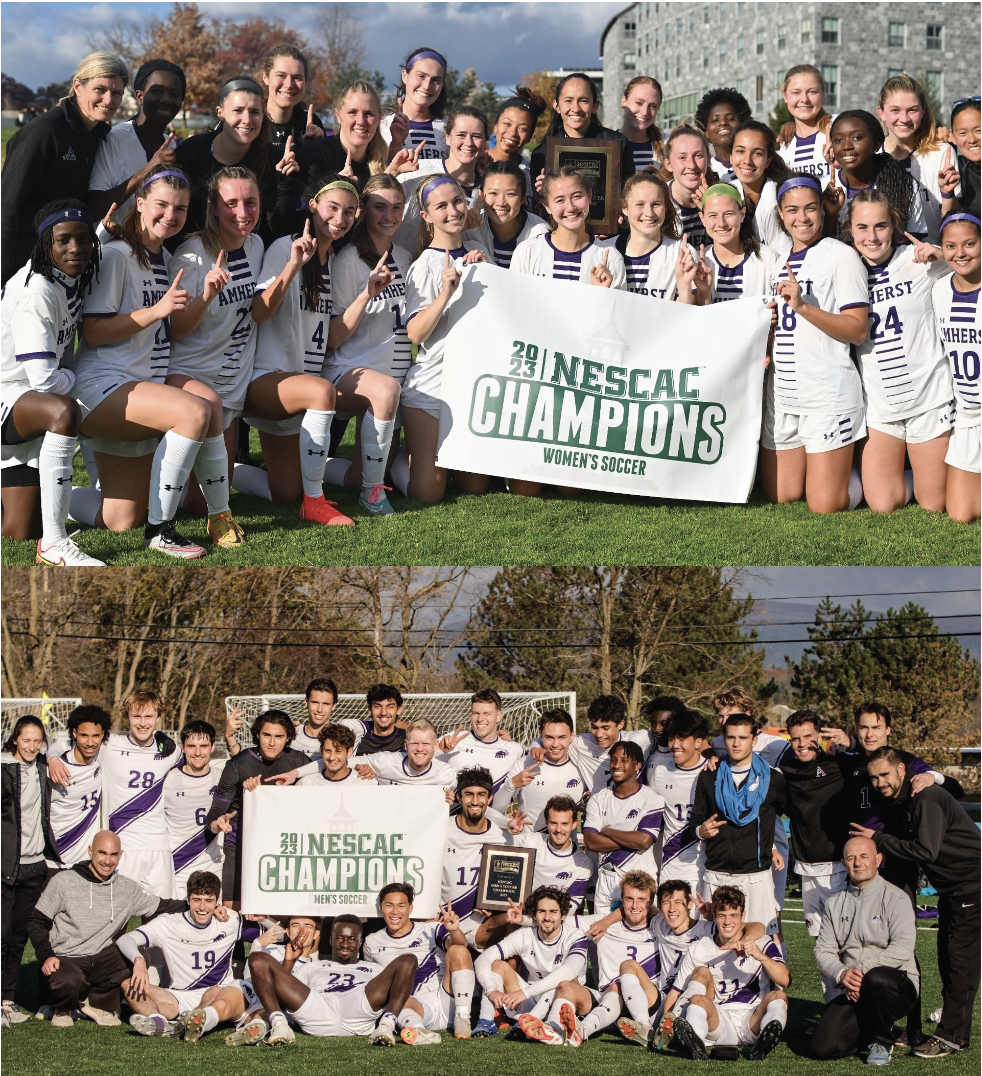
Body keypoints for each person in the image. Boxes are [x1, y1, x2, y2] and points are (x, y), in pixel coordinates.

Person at [68, 166, 211, 558]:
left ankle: (32, 496)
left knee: (119, 517)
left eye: (180, 208)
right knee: (193, 412)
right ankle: (161, 531)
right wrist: (156, 310)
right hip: (101, 387)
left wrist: (202, 298)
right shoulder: (117, 254)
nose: (170, 215)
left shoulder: (162, 256)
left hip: (137, 387)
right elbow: (93, 332)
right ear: (141, 203)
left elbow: (169, 330)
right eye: (161, 205)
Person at [232, 171, 357, 524]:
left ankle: (229, 471)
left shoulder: (333, 262)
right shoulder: (284, 247)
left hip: (296, 388)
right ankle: (316, 502)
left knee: (284, 493)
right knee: (322, 391)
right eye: (332, 208)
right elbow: (260, 311)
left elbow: (331, 337)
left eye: (349, 212)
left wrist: (367, 296)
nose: (340, 218)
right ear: (313, 205)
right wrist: (292, 265)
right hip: (264, 381)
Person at [855, 747, 981, 1057]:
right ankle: (956, 1035)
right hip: (955, 890)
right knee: (951, 962)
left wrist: (878, 839)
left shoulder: (925, 798)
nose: (879, 782)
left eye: (885, 774)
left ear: (901, 770)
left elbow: (927, 852)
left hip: (971, 887)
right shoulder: (909, 798)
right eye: (873, 777)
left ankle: (949, 1037)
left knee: (959, 965)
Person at [167, 165, 268, 542]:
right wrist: (207, 296)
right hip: (189, 377)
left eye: (250, 202)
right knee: (191, 503)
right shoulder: (192, 256)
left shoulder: (257, 246)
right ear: (212, 207)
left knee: (198, 499)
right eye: (231, 203)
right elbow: (174, 331)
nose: (242, 212)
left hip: (232, 385)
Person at [0, 200, 104, 564]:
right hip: (11, 397)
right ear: (47, 245)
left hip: (25, 402)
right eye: (64, 241)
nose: (75, 248)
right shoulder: (38, 291)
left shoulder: (70, 275)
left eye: (84, 239)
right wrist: (77, 375)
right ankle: (54, 543)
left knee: (17, 529)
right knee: (64, 408)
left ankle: (48, 504)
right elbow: (45, 380)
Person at [763, 173, 869, 513]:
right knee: (782, 494)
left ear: (823, 208)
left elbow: (857, 330)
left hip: (826, 394)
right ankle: (827, 469)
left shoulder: (841, 256)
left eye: (810, 208)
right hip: (784, 394)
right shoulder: (778, 262)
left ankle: (867, 478)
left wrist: (804, 307)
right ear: (780, 213)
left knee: (824, 503)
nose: (802, 218)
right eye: (792, 210)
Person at [848, 190, 954, 513]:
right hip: (881, 407)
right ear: (850, 230)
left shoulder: (916, 260)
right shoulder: (845, 269)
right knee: (883, 503)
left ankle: (931, 477)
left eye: (880, 226)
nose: (872, 236)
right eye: (862, 228)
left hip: (928, 398)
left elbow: (971, 268)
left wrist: (944, 255)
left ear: (893, 226)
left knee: (934, 502)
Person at [389, 175, 489, 503]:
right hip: (432, 386)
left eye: (457, 201)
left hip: (472, 385)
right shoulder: (424, 265)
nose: (452, 211)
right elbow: (416, 333)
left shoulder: (478, 250)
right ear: (426, 215)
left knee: (475, 485)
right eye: (441, 206)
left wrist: (489, 272)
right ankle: (393, 463)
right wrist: (445, 293)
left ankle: (427, 454)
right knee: (428, 493)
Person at [26, 829, 190, 1027]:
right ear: (90, 851)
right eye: (102, 853)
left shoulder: (127, 888)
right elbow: (36, 922)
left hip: (100, 958)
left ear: (120, 856)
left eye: (113, 855)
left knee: (138, 957)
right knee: (68, 981)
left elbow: (163, 905)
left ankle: (95, 1004)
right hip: (66, 957)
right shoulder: (63, 881)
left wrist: (199, 906)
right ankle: (63, 1007)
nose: (107, 861)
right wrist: (46, 955)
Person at [322, 173, 414, 516]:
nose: (389, 215)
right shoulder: (349, 262)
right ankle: (372, 496)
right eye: (379, 207)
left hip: (391, 379)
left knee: (360, 473)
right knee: (387, 389)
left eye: (396, 207)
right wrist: (366, 294)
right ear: (363, 210)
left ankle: (326, 469)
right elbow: (332, 338)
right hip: (350, 370)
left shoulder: (403, 256)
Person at [1, 52, 127, 285]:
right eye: (100, 90)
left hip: (59, 267)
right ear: (78, 86)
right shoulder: (45, 132)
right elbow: (6, 205)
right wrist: (7, 278)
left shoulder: (100, 137)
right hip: (22, 267)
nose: (109, 100)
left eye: (117, 93)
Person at [48, 688, 180, 898]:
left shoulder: (171, 751)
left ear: (158, 717)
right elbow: (61, 745)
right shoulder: (109, 745)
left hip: (159, 846)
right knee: (115, 918)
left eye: (149, 716)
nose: (143, 722)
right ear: (127, 715)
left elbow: (196, 762)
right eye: (136, 716)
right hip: (121, 846)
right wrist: (52, 758)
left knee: (160, 917)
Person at [811, 836, 919, 1065]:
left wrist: (860, 971)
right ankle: (869, 1031)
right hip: (854, 988)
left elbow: (903, 948)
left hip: (895, 987)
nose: (858, 863)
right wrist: (842, 974)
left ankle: (883, 1041)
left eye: (864, 856)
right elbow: (823, 950)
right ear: (843, 863)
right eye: (851, 858)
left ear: (878, 860)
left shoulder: (897, 898)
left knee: (878, 977)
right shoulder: (834, 903)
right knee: (823, 1047)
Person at [117, 869, 259, 1041]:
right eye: (196, 900)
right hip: (180, 997)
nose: (202, 907)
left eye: (208, 901)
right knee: (128, 985)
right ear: (188, 900)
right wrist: (138, 960)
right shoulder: (168, 924)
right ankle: (160, 1023)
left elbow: (276, 935)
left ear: (217, 902)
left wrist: (263, 918)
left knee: (214, 992)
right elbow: (125, 940)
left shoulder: (229, 921)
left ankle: (195, 1020)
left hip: (220, 992)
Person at [245, 914, 418, 1045]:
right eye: (339, 938)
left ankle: (387, 1025)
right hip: (317, 1007)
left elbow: (397, 987)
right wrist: (289, 962)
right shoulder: (313, 966)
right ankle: (280, 1025)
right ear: (330, 940)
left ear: (360, 942)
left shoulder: (375, 968)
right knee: (257, 958)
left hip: (358, 1005)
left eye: (351, 939)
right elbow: (281, 1000)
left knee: (408, 959)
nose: (345, 944)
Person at [662, 885, 789, 1061]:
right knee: (698, 993)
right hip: (718, 1020)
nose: (728, 922)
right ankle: (696, 1042)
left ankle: (764, 1043)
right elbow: (677, 991)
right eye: (722, 916)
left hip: (753, 1018)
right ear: (714, 916)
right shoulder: (699, 948)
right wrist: (665, 1022)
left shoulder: (762, 942)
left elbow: (784, 979)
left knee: (778, 996)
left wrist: (760, 956)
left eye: (733, 916)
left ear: (743, 916)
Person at [203, 710, 313, 906]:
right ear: (257, 735)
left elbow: (324, 785)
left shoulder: (299, 763)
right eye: (266, 735)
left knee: (281, 915)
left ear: (288, 737)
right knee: (232, 914)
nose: (272, 742)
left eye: (279, 736)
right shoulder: (238, 764)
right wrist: (217, 824)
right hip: (240, 847)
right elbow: (216, 811)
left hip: (282, 850)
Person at [690, 714, 786, 937]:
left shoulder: (773, 779)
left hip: (756, 875)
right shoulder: (708, 775)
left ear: (754, 740)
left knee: (762, 942)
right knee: (713, 943)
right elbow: (696, 818)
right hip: (716, 873)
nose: (736, 743)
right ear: (723, 739)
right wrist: (700, 830)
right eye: (731, 737)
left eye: (743, 737)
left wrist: (769, 847)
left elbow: (774, 815)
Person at [777, 710, 852, 997]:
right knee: (822, 945)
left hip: (839, 869)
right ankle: (833, 1009)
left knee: (847, 944)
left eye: (808, 736)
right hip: (807, 872)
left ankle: (855, 1013)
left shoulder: (839, 765)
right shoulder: (787, 771)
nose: (802, 743)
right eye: (796, 738)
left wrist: (851, 744)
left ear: (819, 735)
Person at [174, 75, 297, 247]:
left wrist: (285, 184)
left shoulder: (273, 160)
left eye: (254, 112)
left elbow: (278, 230)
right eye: (238, 110)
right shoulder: (191, 152)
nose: (247, 120)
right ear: (220, 112)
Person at [475, 885, 589, 1044]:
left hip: (567, 1001)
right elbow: (483, 959)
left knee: (564, 982)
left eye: (553, 912)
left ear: (563, 915)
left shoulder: (575, 936)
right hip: (532, 998)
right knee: (497, 965)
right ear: (534, 915)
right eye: (542, 911)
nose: (547, 917)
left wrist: (526, 992)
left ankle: (545, 1025)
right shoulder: (525, 935)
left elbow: (569, 971)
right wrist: (491, 990)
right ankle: (486, 1022)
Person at [560, 870, 661, 1047]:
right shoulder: (603, 923)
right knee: (566, 988)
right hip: (610, 1003)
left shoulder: (661, 926)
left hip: (649, 1004)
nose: (635, 905)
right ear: (621, 900)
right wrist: (522, 917)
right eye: (629, 899)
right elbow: (555, 920)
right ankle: (579, 1030)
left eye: (642, 899)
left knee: (627, 968)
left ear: (651, 902)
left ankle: (644, 1027)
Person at [363, 882, 475, 1042]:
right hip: (413, 1008)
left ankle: (463, 1017)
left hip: (446, 1001)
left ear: (410, 908)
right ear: (381, 907)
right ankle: (419, 1031)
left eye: (401, 906)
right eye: (389, 905)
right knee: (398, 1000)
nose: (395, 912)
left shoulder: (430, 929)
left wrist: (454, 930)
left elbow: (460, 945)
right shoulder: (372, 942)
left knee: (458, 950)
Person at [2, 716, 59, 1025]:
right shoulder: (3, 768)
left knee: (18, 938)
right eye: (27, 740)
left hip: (34, 866)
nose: (32, 746)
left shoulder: (41, 767)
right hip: (4, 868)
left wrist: (50, 755)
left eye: (38, 741)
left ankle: (7, 1001)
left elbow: (65, 746)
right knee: (1, 935)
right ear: (15, 740)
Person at [87, 59, 186, 234]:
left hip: (153, 255)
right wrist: (148, 169)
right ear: (140, 96)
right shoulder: (114, 139)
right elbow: (94, 208)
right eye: (157, 91)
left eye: (175, 94)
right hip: (113, 251)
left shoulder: (171, 146)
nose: (166, 100)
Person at [931, 212, 981, 522]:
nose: (960, 253)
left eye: (970, 244)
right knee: (961, 515)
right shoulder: (939, 290)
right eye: (950, 246)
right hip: (967, 416)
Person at [393, 104, 491, 256]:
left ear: (485, 142)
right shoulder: (416, 170)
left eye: (476, 136)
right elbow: (376, 203)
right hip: (398, 270)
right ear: (447, 137)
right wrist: (391, 172)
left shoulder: (485, 194)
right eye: (461, 135)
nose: (469, 143)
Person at [582, 740, 663, 914]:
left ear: (638, 765)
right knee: (603, 937)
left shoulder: (652, 799)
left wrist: (608, 831)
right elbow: (591, 843)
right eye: (613, 760)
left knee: (641, 934)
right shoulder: (598, 799)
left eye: (624, 760)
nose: (617, 765)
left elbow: (644, 841)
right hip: (606, 878)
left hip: (640, 879)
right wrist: (632, 839)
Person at [823, 111, 925, 241]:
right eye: (838, 140)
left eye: (857, 138)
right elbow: (822, 251)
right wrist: (831, 217)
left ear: (877, 143)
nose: (847, 146)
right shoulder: (823, 189)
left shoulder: (903, 184)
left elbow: (915, 243)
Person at [528, 73, 630, 198]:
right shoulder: (543, 154)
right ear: (557, 106)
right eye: (568, 100)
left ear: (595, 106)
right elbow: (539, 208)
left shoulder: (618, 144)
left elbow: (629, 194)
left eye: (583, 100)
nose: (576, 108)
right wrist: (543, 193)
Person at [878, 74, 951, 244]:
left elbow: (954, 220)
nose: (904, 119)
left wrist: (948, 195)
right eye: (895, 110)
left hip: (933, 260)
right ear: (881, 112)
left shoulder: (942, 153)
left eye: (912, 110)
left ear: (923, 111)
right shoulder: (871, 156)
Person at [646, 710, 711, 896]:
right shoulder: (660, 773)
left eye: (682, 739)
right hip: (672, 864)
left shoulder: (713, 772)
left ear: (698, 742)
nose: (675, 745)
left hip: (707, 866)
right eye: (672, 739)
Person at [492, 708, 585, 829]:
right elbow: (496, 809)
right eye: (549, 737)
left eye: (562, 737)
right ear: (540, 736)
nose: (555, 744)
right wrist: (512, 784)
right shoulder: (524, 764)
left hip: (566, 846)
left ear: (572, 736)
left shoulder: (582, 766)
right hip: (529, 845)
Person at [163, 721, 226, 899]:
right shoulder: (167, 780)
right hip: (177, 869)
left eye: (203, 746)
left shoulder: (223, 779)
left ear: (213, 746)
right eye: (191, 746)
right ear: (182, 747)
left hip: (213, 866)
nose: (198, 753)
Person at [46, 705, 111, 870]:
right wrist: (52, 758)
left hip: (86, 860)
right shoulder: (55, 767)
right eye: (84, 735)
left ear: (102, 734)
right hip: (55, 857)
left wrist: (161, 737)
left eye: (96, 736)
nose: (90, 742)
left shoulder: (103, 756)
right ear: (74, 733)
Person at [696, 182, 783, 305]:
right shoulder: (699, 263)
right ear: (702, 218)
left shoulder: (768, 259)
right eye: (713, 215)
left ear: (742, 214)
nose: (721, 223)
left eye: (728, 214)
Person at [600, 170, 682, 300]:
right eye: (640, 204)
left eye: (656, 204)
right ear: (625, 208)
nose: (649, 213)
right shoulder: (603, 252)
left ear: (665, 207)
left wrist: (685, 287)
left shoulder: (681, 254)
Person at [300, 80, 393, 192]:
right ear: (338, 115)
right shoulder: (316, 155)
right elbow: (301, 208)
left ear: (379, 117)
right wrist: (339, 192)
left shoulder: (383, 164)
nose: (361, 121)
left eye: (368, 113)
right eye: (352, 112)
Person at [438, 688, 525, 805]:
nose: (480, 719)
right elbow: (419, 765)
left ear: (499, 716)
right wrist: (439, 751)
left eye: (487, 714)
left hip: (493, 821)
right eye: (476, 713)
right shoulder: (453, 740)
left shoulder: (514, 750)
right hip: (451, 820)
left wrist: (537, 745)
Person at [727, 120, 794, 255]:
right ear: (731, 157)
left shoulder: (779, 199)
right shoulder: (726, 193)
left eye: (757, 153)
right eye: (740, 151)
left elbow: (783, 258)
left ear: (768, 161)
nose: (747, 160)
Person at [381, 47, 450, 161]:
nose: (427, 86)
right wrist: (396, 145)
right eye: (421, 76)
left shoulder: (450, 128)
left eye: (435, 80)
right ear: (405, 76)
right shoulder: (382, 127)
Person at [477, 161, 549, 269]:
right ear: (481, 195)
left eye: (510, 194)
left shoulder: (541, 233)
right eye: (493, 193)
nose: (501, 202)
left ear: (522, 198)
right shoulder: (471, 229)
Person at [260, 45, 324, 165]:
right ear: (266, 77)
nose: (289, 84)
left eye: (297, 78)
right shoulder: (252, 121)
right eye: (281, 76)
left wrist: (315, 149)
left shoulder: (311, 125)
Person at [355, 718, 457, 789]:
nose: (420, 748)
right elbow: (345, 764)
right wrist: (361, 768)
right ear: (405, 745)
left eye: (426, 743)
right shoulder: (385, 761)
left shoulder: (447, 774)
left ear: (435, 745)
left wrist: (454, 798)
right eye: (414, 743)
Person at [659, 125, 716, 250]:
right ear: (668, 164)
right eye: (682, 157)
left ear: (708, 160)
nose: (691, 165)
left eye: (698, 155)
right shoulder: (659, 202)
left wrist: (710, 211)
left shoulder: (721, 197)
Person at [776, 64, 834, 183]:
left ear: (823, 94)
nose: (804, 99)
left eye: (812, 92)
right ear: (785, 96)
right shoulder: (785, 144)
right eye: (796, 92)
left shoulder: (838, 127)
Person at [486, 88, 547, 192]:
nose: (513, 133)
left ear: (529, 137)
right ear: (495, 127)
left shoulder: (533, 171)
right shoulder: (476, 163)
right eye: (507, 124)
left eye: (522, 129)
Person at [694, 87, 752, 178]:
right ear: (705, 131)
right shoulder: (701, 171)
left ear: (743, 124)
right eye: (715, 120)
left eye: (730, 118)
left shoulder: (755, 165)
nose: (723, 122)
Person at [940, 98, 980, 218]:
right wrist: (948, 194)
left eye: (979, 130)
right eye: (963, 133)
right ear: (952, 136)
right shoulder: (955, 169)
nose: (972, 140)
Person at [298, 724, 373, 786]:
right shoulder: (306, 783)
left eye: (338, 751)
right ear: (321, 751)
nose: (332, 757)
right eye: (328, 751)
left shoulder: (365, 783)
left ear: (349, 752)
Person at [619, 76, 664, 174]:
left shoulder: (667, 146)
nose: (644, 112)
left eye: (652, 106)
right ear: (624, 101)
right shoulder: (609, 144)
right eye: (639, 103)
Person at [288, 677, 341, 758]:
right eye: (315, 702)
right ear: (306, 702)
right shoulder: (291, 735)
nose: (319, 709)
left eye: (326, 704)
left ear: (334, 706)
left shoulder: (342, 737)